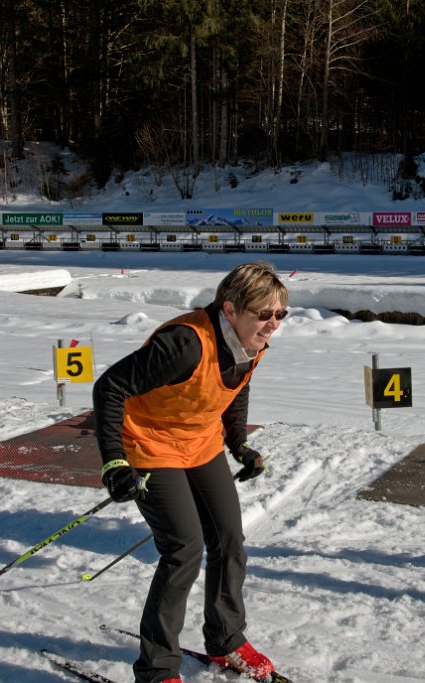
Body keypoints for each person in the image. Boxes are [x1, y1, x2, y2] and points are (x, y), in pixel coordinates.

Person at [93, 262, 288, 683]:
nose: (272, 324)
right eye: (264, 314)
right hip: (147, 442)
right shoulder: (185, 343)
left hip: (198, 442)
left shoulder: (251, 342)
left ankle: (226, 640)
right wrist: (114, 461)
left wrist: (239, 446)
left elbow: (236, 388)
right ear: (232, 309)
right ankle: (156, 670)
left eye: (280, 315)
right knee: (183, 549)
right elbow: (109, 387)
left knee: (229, 538)